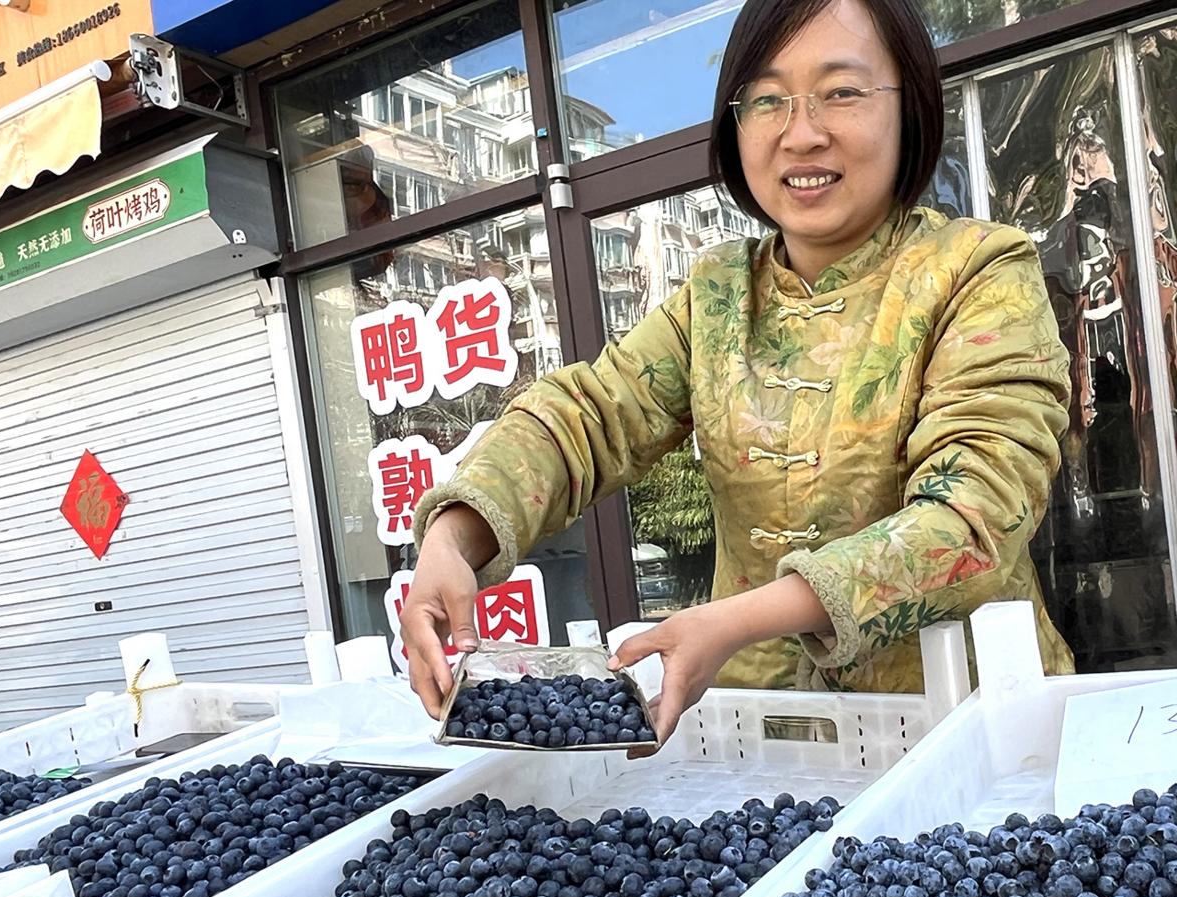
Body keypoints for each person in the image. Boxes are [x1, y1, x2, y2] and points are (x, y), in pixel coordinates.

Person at [402, 0, 1073, 736]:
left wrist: (737, 619)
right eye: (767, 99)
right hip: (767, 736)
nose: (801, 132)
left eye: (842, 92)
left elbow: (975, 513)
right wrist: (453, 537)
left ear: (908, 106)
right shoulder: (718, 293)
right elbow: (588, 417)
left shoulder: (980, 270)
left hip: (967, 725)